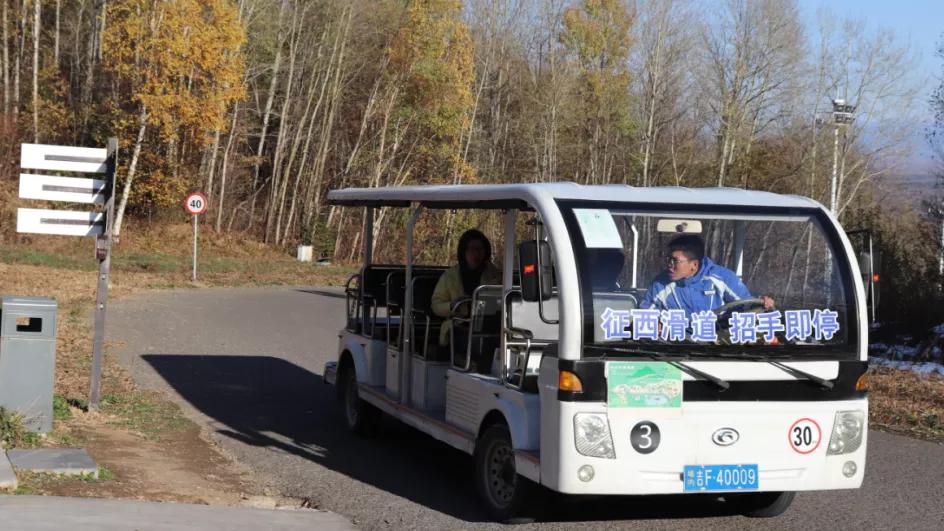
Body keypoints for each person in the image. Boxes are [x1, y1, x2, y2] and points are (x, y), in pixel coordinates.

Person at [640, 234, 774, 314]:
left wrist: (763, 303)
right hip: (675, 346)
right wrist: (655, 324)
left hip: (720, 344)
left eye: (675, 261)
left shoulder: (722, 278)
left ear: (694, 265)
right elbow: (646, 313)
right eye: (668, 259)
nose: (669, 264)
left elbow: (747, 304)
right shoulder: (660, 284)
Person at [432, 229, 502, 354]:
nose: (476, 253)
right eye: (472, 249)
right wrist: (452, 305)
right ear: (463, 252)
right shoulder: (450, 276)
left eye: (480, 249)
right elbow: (436, 305)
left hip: (488, 323)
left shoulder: (494, 274)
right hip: (459, 324)